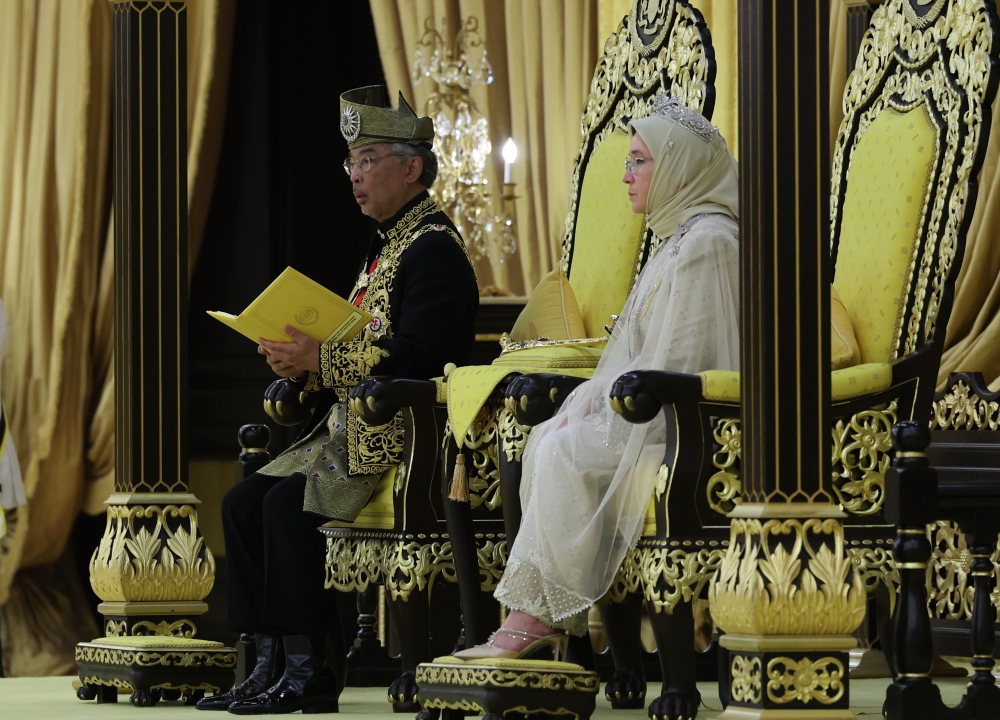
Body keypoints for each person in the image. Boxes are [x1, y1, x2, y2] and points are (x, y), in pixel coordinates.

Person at [202, 86, 479, 714]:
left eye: (368, 159)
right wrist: (299, 365)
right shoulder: (388, 245)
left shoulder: (434, 248)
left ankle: (311, 672)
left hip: (403, 436)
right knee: (244, 502)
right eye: (350, 161)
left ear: (411, 167)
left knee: (284, 504)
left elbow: (418, 357)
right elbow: (359, 343)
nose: (354, 174)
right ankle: (266, 662)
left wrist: (320, 360)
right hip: (348, 430)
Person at [456, 94, 740, 659]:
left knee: (565, 450)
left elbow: (687, 361)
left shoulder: (709, 242)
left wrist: (607, 402)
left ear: (680, 165)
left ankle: (534, 622)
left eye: (640, 160)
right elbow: (641, 354)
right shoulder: (677, 238)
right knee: (549, 436)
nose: (626, 175)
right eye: (628, 160)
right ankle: (544, 624)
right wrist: (593, 396)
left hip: (692, 426)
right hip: (653, 408)